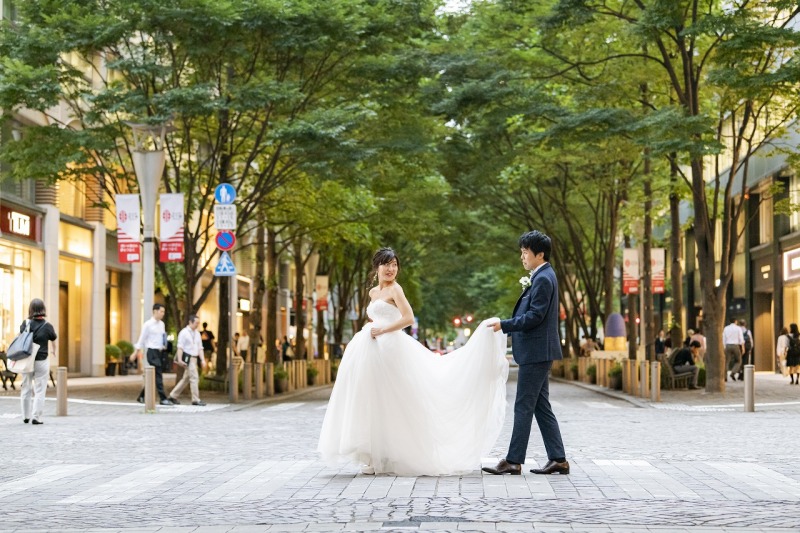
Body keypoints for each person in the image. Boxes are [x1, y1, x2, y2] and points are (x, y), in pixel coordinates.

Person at [318, 248, 509, 476]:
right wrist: (374, 330)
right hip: (371, 349)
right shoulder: (372, 293)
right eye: (386, 265)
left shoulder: (395, 289)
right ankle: (374, 454)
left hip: (391, 347)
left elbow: (408, 318)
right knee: (372, 399)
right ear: (376, 267)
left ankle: (390, 456)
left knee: (394, 400)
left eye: (394, 265)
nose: (391, 269)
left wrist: (383, 330)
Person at [483, 230, 569, 476]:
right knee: (541, 406)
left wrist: (505, 324)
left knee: (523, 406)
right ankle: (558, 459)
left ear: (539, 254)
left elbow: (535, 316)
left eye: (525, 252)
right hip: (538, 351)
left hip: (536, 352)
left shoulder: (543, 278)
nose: (522, 257)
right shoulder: (543, 275)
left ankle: (513, 460)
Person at [19, 298, 57, 425]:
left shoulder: (26, 323)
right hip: (41, 360)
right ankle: (36, 417)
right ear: (43, 310)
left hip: (26, 360)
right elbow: (53, 341)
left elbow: (20, 338)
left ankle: (25, 416)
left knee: (26, 386)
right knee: (40, 389)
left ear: (30, 310)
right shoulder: (48, 326)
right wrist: (54, 351)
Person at [131, 303, 171, 405]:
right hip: (152, 352)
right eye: (161, 311)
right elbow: (141, 339)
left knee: (152, 376)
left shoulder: (162, 324)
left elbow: (162, 337)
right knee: (158, 374)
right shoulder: (147, 324)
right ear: (155, 311)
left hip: (160, 352)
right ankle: (163, 398)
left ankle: (141, 396)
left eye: (163, 312)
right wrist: (136, 352)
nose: (163, 314)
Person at [168, 314, 207, 406]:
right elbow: (180, 347)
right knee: (194, 377)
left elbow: (200, 348)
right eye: (196, 323)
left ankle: (173, 396)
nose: (197, 325)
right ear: (190, 322)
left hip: (194, 358)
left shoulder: (197, 334)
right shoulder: (184, 332)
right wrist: (180, 359)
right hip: (188, 358)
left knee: (185, 379)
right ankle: (195, 399)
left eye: (198, 323)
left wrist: (202, 360)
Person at [722, 317, 744, 381]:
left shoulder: (726, 328)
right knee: (738, 361)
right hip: (735, 345)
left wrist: (724, 347)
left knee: (726, 362)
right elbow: (741, 338)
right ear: (736, 321)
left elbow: (724, 339)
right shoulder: (738, 328)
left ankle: (725, 377)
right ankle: (733, 372)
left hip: (728, 345)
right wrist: (742, 347)